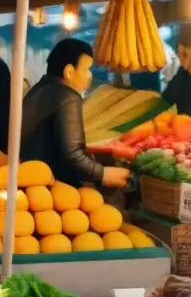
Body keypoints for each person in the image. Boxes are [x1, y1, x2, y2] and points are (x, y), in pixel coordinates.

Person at [20, 38, 130, 189]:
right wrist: (102, 174)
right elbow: (72, 154)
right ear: (69, 72)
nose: (90, 75)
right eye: (86, 69)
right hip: (56, 188)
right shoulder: (68, 97)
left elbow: (49, 139)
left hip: (33, 182)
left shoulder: (36, 90)